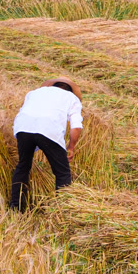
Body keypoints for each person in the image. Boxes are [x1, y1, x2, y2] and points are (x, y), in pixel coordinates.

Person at [10, 76, 83, 211]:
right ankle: (61, 210)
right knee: (62, 173)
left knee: (23, 167)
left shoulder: (34, 93)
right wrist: (71, 147)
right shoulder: (72, 99)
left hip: (22, 127)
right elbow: (76, 126)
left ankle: (16, 207)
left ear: (52, 86)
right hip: (49, 129)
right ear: (70, 90)